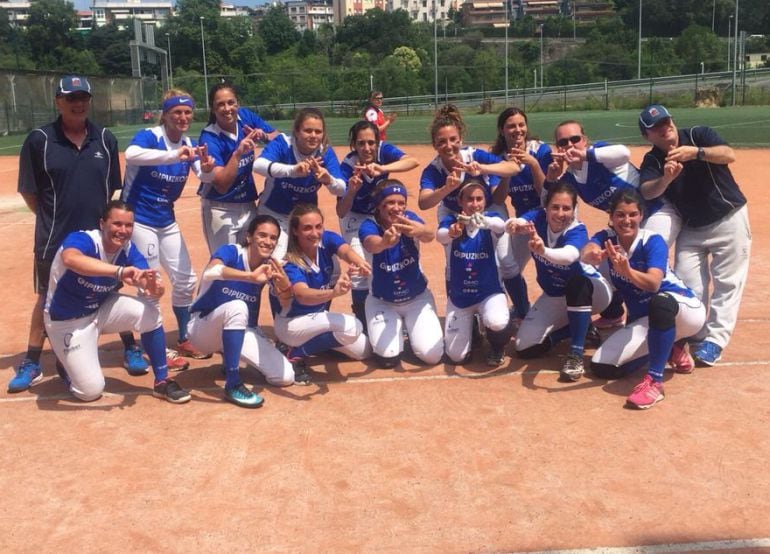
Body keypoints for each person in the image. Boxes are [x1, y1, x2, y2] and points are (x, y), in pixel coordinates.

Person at [11, 75, 133, 393]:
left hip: (99, 237)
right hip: (54, 236)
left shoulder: (105, 140)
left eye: (84, 98)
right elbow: (29, 192)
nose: (79, 104)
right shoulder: (39, 140)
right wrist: (54, 218)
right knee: (46, 298)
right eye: (71, 98)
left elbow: (111, 190)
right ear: (58, 102)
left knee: (108, 288)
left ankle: (130, 346)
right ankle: (33, 361)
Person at [43, 201, 191, 404]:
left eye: (128, 225)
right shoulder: (84, 239)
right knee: (90, 392)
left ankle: (162, 381)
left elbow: (152, 286)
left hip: (99, 309)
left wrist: (153, 287)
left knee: (150, 314)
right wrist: (119, 272)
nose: (123, 230)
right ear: (102, 224)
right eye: (117, 224)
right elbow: (71, 259)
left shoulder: (128, 250)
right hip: (66, 321)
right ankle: (66, 366)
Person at [638, 104, 751, 367]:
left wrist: (697, 153)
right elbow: (646, 190)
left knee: (728, 284)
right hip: (691, 228)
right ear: (647, 136)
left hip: (728, 218)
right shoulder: (653, 160)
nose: (665, 128)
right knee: (688, 285)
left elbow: (728, 154)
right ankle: (696, 335)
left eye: (667, 121)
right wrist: (665, 179)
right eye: (656, 127)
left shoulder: (698, 135)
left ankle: (715, 342)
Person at [547, 120, 677, 330]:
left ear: (585, 140)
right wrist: (552, 179)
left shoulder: (599, 154)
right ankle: (614, 312)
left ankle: (665, 325)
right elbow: (556, 204)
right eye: (563, 142)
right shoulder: (571, 177)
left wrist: (586, 154)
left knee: (645, 263)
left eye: (575, 139)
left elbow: (624, 153)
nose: (570, 145)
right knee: (600, 261)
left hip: (655, 212)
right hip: (623, 224)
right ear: (557, 148)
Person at [582, 189, 706, 409]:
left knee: (659, 302)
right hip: (650, 319)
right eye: (620, 214)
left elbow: (653, 284)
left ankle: (655, 382)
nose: (626, 220)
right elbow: (588, 249)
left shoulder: (652, 241)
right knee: (602, 367)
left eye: (632, 214)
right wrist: (592, 255)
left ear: (641, 216)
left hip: (683, 309)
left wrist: (627, 271)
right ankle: (669, 348)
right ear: (611, 217)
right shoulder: (606, 239)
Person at [122, 88, 215, 365]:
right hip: (140, 219)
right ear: (165, 114)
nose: (183, 117)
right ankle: (154, 346)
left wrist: (208, 167)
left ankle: (185, 337)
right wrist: (174, 156)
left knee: (185, 280)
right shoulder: (150, 136)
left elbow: (204, 174)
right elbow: (132, 155)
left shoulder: (189, 142)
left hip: (165, 218)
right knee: (151, 284)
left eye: (187, 112)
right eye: (177, 112)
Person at [187, 215, 297, 408]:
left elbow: (286, 305)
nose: (268, 241)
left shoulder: (270, 267)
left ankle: (230, 352)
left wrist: (285, 286)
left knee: (284, 377)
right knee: (238, 306)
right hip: (202, 329)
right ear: (249, 237)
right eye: (262, 235)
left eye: (273, 238)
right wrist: (249, 277)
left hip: (237, 327)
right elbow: (211, 272)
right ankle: (233, 382)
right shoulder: (232, 252)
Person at [508, 182, 612, 382]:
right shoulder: (538, 217)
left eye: (567, 208)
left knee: (575, 284)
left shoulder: (577, 230)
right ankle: (579, 330)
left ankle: (576, 352)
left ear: (574, 211)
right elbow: (519, 221)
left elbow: (569, 255)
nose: (560, 213)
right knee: (524, 347)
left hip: (592, 292)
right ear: (546, 207)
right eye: (555, 207)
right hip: (555, 295)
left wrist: (543, 251)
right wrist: (512, 224)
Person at [274, 204, 372, 382]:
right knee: (353, 327)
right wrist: (334, 293)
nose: (315, 233)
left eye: (318, 226)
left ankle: (316, 343)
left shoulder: (325, 240)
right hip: (293, 324)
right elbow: (303, 295)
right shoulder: (290, 264)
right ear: (295, 231)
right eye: (307, 228)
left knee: (364, 350)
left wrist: (360, 263)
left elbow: (345, 250)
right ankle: (294, 353)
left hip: (317, 320)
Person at [337, 120, 418, 329]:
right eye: (361, 143)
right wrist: (352, 190)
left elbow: (412, 161)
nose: (367, 148)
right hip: (354, 216)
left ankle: (390, 308)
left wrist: (382, 167)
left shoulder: (384, 151)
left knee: (387, 256)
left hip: (378, 212)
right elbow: (341, 210)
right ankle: (363, 323)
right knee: (361, 268)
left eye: (371, 143)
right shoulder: (347, 166)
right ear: (354, 145)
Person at [361, 180, 444, 368]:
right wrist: (384, 242)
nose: (397, 208)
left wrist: (421, 230)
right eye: (390, 203)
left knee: (432, 356)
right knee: (388, 359)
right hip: (383, 300)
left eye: (401, 202)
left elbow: (429, 235)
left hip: (417, 298)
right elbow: (370, 243)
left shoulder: (410, 219)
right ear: (379, 206)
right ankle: (398, 327)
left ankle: (410, 326)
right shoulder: (369, 225)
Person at [253, 107, 346, 261]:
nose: (313, 136)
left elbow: (342, 189)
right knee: (279, 258)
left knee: (327, 264)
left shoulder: (325, 152)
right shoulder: (284, 143)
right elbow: (258, 165)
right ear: (296, 131)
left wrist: (328, 180)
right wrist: (293, 170)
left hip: (305, 221)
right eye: (308, 131)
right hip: (274, 212)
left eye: (318, 132)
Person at [437, 178, 513, 366]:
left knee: (497, 321)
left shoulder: (492, 219)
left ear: (485, 201)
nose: (475, 204)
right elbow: (440, 236)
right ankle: (471, 330)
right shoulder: (451, 220)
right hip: (460, 297)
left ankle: (497, 345)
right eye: (469, 199)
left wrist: (483, 221)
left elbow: (500, 226)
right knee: (456, 357)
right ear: (460, 202)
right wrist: (453, 233)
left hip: (488, 292)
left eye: (479, 199)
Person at [198, 83, 279, 254]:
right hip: (220, 207)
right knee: (225, 263)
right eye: (220, 104)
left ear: (238, 104)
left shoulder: (245, 117)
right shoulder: (210, 137)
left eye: (231, 102)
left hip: (247, 203)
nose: (227, 108)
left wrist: (263, 135)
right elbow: (221, 185)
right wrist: (238, 153)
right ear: (213, 109)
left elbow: (277, 137)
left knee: (252, 259)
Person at [490, 107, 552, 322]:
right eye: (511, 126)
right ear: (501, 130)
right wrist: (507, 170)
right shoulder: (496, 157)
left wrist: (532, 164)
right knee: (508, 268)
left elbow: (548, 194)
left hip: (549, 217)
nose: (517, 130)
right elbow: (497, 199)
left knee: (558, 267)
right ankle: (523, 310)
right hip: (523, 221)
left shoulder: (540, 151)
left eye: (521, 125)